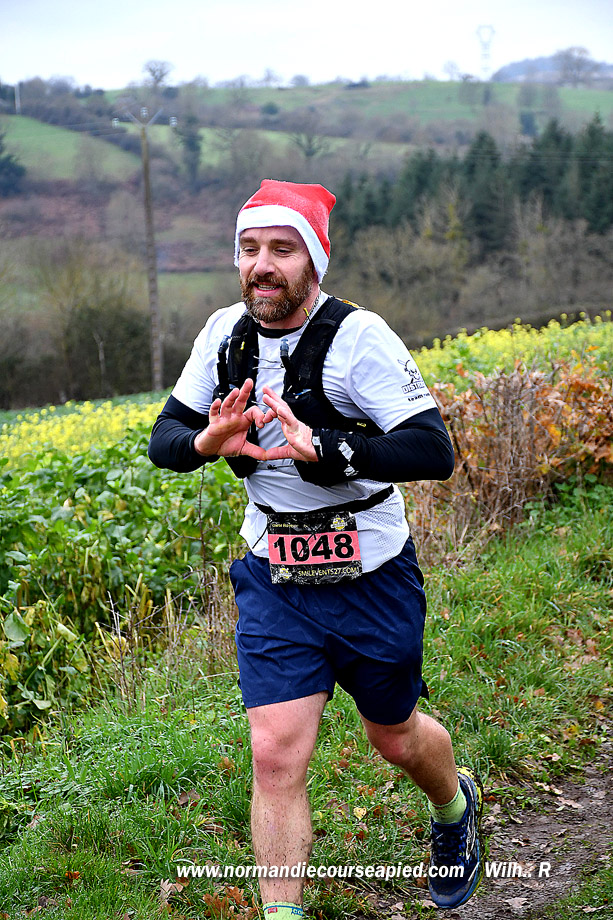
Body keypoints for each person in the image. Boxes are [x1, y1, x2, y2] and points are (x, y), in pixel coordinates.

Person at [148, 179, 484, 914]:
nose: (261, 265)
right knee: (274, 754)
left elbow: (433, 450)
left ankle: (454, 805)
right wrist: (208, 440)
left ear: (314, 262)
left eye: (281, 249)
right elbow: (164, 439)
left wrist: (328, 448)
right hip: (274, 574)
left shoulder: (359, 338)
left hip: (371, 572)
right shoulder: (223, 335)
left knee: (393, 736)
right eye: (248, 249)